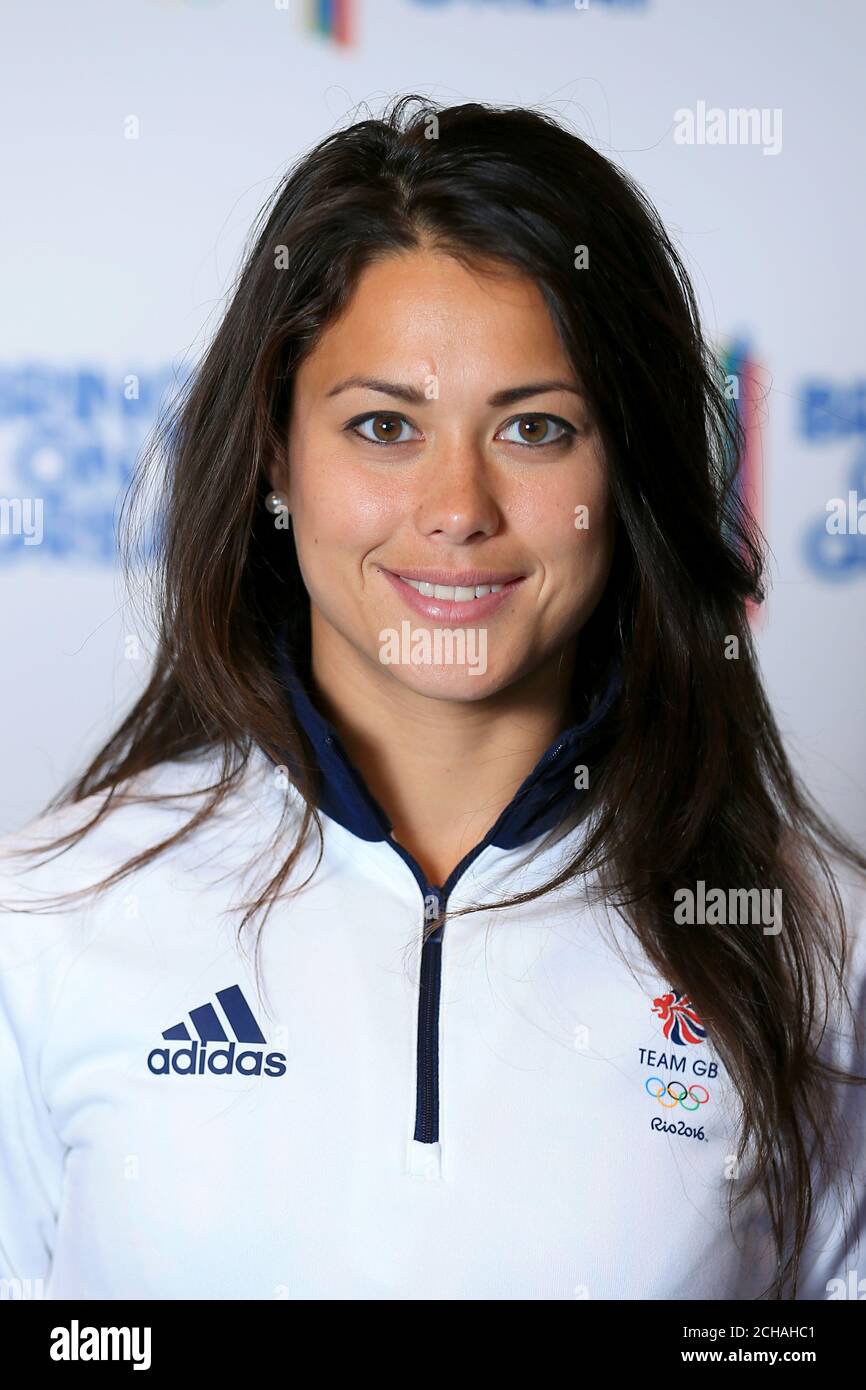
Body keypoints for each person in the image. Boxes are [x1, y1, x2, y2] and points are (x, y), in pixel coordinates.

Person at [1, 94, 864, 1302]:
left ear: (629, 469)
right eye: (382, 425)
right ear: (272, 456)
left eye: (533, 426)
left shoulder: (818, 947)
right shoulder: (45, 920)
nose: (457, 506)